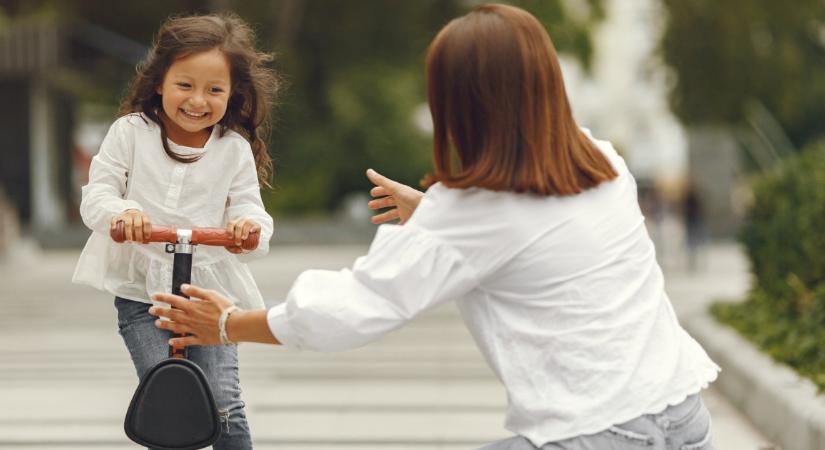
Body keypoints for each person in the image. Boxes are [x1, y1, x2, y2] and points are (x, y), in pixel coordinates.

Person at [150, 4, 718, 450]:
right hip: (686, 420)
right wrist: (430, 216)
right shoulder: (600, 161)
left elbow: (357, 305)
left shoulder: (472, 209)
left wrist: (227, 323)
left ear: (460, 103)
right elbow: (537, 239)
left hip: (592, 436)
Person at [72, 13, 278, 449]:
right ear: (159, 81)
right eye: (185, 85)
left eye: (214, 90)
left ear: (232, 93)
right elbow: (97, 196)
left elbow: (251, 212)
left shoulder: (232, 149)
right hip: (142, 292)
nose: (198, 100)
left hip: (210, 296)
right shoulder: (131, 133)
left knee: (223, 402)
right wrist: (122, 213)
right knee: (165, 399)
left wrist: (246, 228)